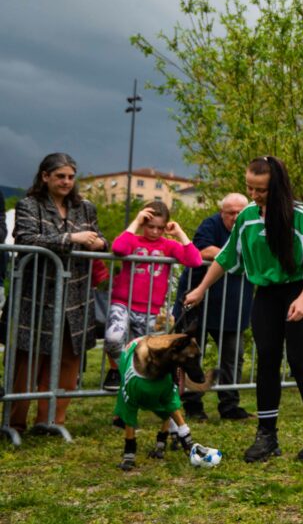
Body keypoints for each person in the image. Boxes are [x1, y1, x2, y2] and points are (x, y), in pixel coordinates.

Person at [183, 156, 303, 462]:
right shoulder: (248, 217)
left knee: (300, 361)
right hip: (266, 293)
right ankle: (267, 435)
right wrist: (200, 289)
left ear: (277, 186)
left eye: (261, 190)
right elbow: (226, 257)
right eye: (250, 188)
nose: (254, 195)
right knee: (266, 360)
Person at [10, 153, 107, 434]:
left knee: (68, 361)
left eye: (70, 177)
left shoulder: (85, 208)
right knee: (28, 360)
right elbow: (26, 238)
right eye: (60, 176)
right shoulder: (29, 205)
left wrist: (98, 242)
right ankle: (14, 422)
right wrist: (71, 239)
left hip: (75, 296)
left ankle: (51, 421)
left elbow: (101, 239)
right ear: (45, 177)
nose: (66, 181)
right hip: (36, 296)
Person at [102, 202, 202, 391]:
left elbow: (194, 260)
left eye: (160, 227)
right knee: (114, 339)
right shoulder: (133, 240)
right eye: (150, 226)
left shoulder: (169, 245)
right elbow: (119, 248)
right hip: (122, 302)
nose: (155, 231)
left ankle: (132, 385)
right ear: (143, 224)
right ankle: (117, 369)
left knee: (143, 352)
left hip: (148, 308)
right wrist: (136, 222)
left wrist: (180, 233)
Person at [173, 193, 256, 421]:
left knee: (233, 357)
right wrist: (233, 257)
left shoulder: (253, 228)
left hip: (234, 306)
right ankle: (193, 406)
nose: (236, 216)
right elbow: (202, 251)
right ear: (222, 213)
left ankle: (230, 406)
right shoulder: (210, 224)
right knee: (190, 356)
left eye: (241, 212)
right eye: (231, 213)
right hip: (198, 302)